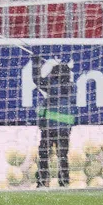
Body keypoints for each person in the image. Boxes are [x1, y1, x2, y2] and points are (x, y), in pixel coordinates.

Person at [33, 59, 75, 189]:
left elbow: (37, 79)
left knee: (44, 154)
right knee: (62, 155)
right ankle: (64, 181)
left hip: (49, 127)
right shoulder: (71, 87)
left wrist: (36, 63)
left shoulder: (52, 87)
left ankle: (42, 181)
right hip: (64, 128)